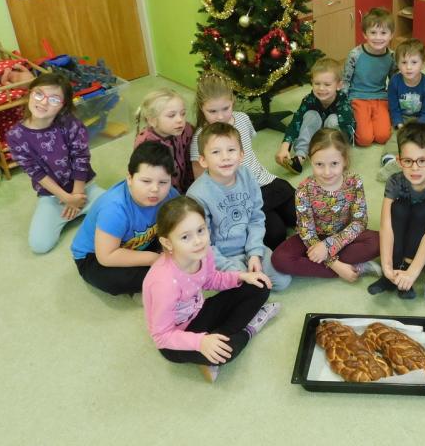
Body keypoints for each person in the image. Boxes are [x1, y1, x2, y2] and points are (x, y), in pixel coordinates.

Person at [143, 196, 279, 383]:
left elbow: (210, 279)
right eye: (185, 237)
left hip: (200, 312)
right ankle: (250, 328)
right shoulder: (164, 284)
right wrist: (201, 342)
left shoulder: (204, 252)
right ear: (167, 243)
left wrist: (241, 276)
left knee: (259, 285)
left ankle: (219, 336)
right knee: (225, 353)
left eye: (201, 230)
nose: (198, 241)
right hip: (175, 340)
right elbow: (161, 336)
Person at [191, 72, 297, 249]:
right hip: (241, 196)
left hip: (265, 181)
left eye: (225, 108)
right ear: (202, 108)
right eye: (212, 111)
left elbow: (248, 153)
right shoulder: (200, 138)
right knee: (275, 234)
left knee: (300, 214)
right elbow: (201, 181)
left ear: (232, 101)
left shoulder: (242, 119)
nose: (220, 117)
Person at [6, 73, 105, 254]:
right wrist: (67, 199)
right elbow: (35, 172)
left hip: (84, 188)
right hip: (53, 196)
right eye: (39, 94)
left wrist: (77, 195)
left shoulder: (70, 123)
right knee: (39, 245)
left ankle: (83, 209)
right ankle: (77, 211)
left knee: (119, 210)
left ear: (63, 105)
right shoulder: (15, 136)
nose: (44, 102)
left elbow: (81, 158)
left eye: (53, 99)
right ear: (30, 93)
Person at [187, 122, 291, 290]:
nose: (225, 157)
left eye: (231, 150)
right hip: (222, 256)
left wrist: (255, 253)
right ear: (203, 160)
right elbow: (202, 243)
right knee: (251, 288)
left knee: (282, 281)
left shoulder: (247, 175)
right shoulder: (197, 195)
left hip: (250, 246)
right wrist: (229, 268)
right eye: (216, 152)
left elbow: (256, 217)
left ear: (241, 155)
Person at [272, 128, 381, 282]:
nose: (327, 172)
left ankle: (326, 262)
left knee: (379, 241)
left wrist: (328, 246)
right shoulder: (304, 189)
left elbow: (359, 222)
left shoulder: (354, 181)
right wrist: (335, 264)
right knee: (279, 259)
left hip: (345, 235)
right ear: (310, 161)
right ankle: (352, 266)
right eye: (319, 164)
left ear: (345, 160)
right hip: (313, 238)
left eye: (334, 163)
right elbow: (306, 231)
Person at [71, 142, 178, 296]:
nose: (155, 189)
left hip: (137, 243)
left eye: (163, 182)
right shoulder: (114, 209)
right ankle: (151, 281)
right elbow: (106, 257)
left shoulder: (169, 195)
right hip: (94, 256)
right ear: (130, 178)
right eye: (146, 181)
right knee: (117, 280)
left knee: (181, 246)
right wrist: (153, 259)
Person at [369, 123, 425, 299]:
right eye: (408, 161)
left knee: (422, 210)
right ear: (399, 161)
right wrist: (387, 266)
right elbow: (385, 226)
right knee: (398, 208)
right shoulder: (394, 181)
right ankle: (393, 271)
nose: (415, 168)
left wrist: (412, 273)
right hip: (405, 224)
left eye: (422, 161)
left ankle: (406, 268)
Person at [275, 57, 354, 174]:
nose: (321, 88)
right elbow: (296, 122)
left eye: (327, 84)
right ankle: (300, 157)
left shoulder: (343, 102)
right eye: (317, 83)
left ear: (339, 85)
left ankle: (333, 155)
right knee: (310, 115)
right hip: (316, 132)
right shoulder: (309, 99)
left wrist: (343, 155)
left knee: (333, 120)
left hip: (336, 136)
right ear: (312, 82)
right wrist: (284, 147)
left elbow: (347, 132)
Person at [378, 39, 425, 181]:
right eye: (404, 62)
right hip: (401, 118)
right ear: (397, 64)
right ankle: (389, 161)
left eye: (414, 62)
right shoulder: (394, 82)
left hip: (420, 120)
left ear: (423, 64)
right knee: (395, 138)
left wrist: (417, 126)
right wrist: (399, 124)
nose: (408, 67)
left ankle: (417, 164)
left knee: (421, 142)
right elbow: (394, 107)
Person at [341, 7, 397, 146]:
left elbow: (394, 81)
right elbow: (345, 80)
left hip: (380, 98)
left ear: (391, 35)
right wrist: (342, 104)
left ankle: (373, 121)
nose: (378, 38)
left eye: (383, 33)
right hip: (358, 98)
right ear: (365, 34)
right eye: (373, 32)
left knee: (383, 137)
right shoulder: (355, 54)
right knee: (365, 140)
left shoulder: (392, 56)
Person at [134, 88, 194, 193]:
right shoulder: (146, 144)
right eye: (171, 115)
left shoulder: (187, 130)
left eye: (183, 113)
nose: (180, 120)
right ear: (152, 120)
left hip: (187, 185)